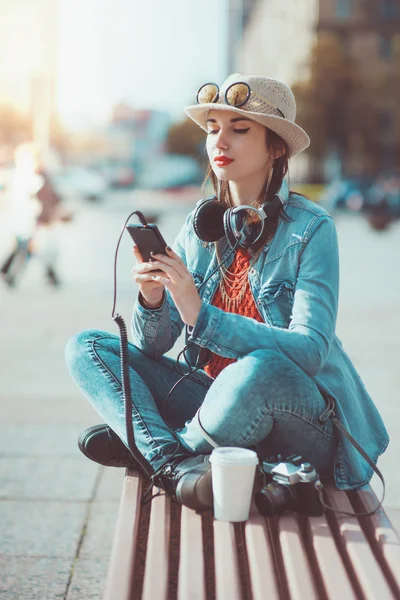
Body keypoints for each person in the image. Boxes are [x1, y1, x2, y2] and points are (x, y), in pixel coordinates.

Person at [65, 74, 389, 512]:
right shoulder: (199, 229)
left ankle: (155, 449)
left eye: (240, 129)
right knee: (88, 347)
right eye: (214, 127)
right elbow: (152, 346)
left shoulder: (311, 229)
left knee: (258, 370)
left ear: (276, 147)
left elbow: (311, 350)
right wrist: (152, 300)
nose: (221, 140)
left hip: (298, 415)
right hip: (213, 404)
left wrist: (204, 317)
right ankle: (173, 463)